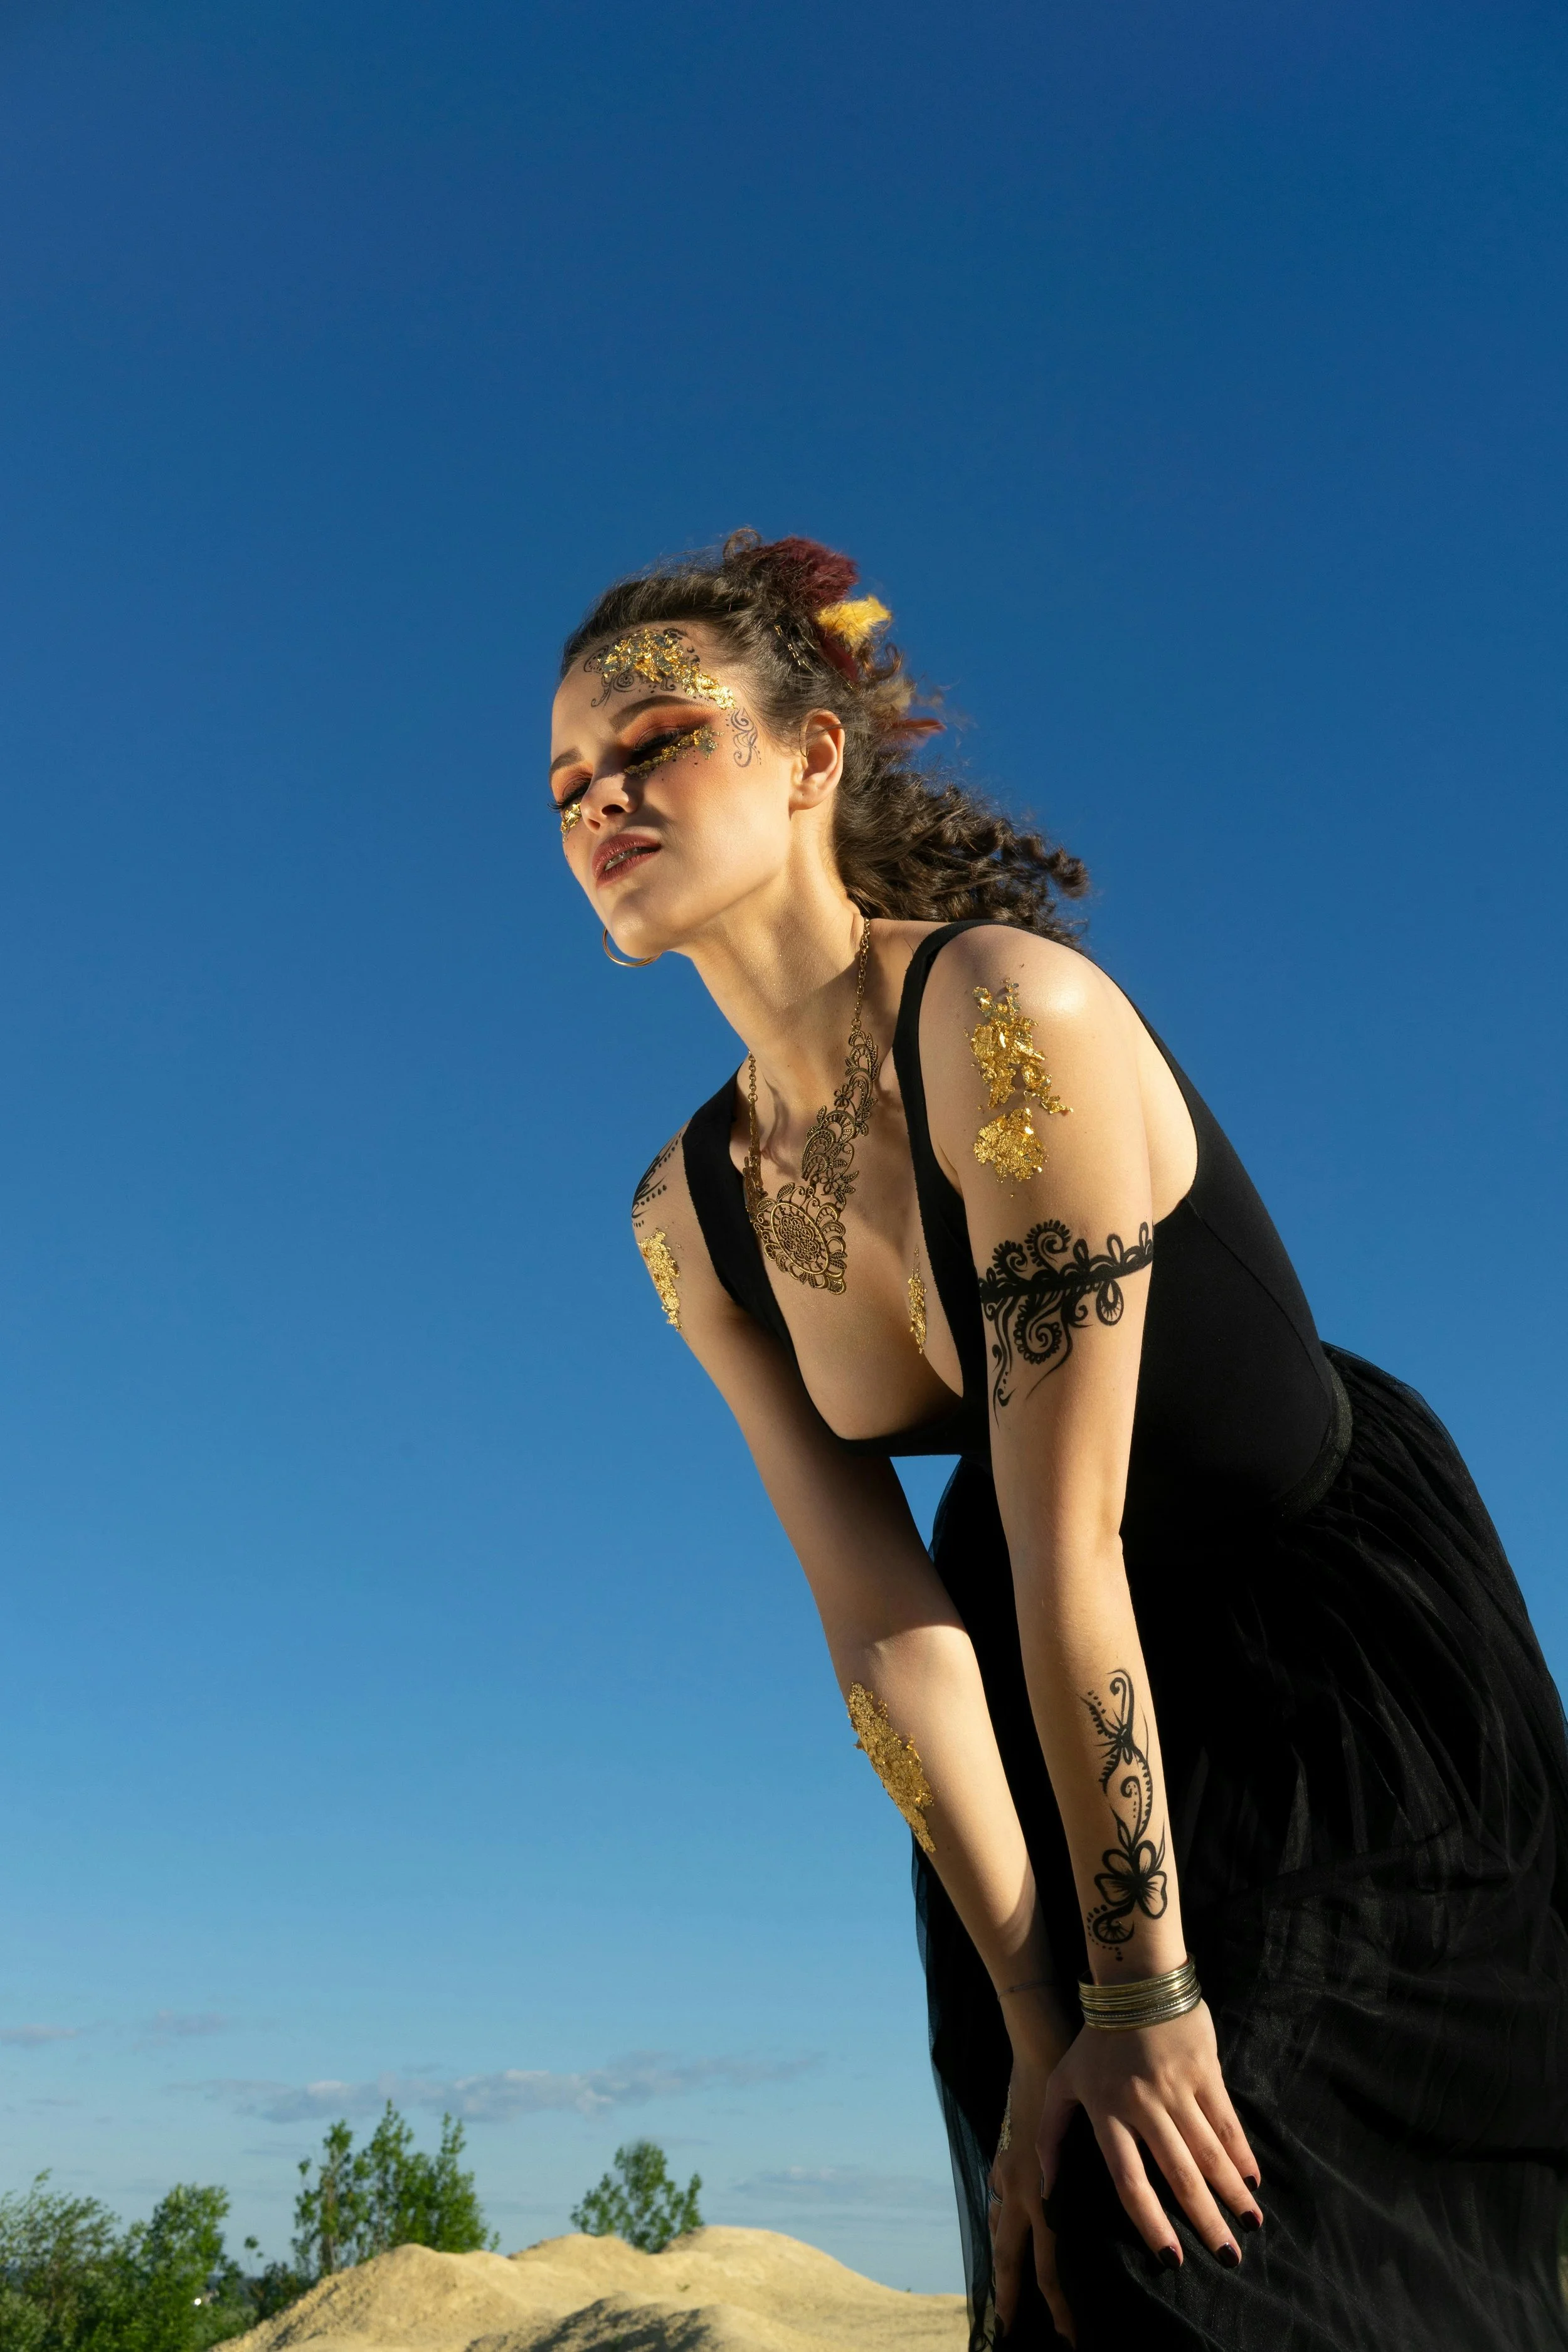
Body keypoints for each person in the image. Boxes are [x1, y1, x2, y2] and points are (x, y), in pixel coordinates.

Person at [547, 531, 1568, 2349]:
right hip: (1025, 1705)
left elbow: (1064, 1535)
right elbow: (877, 1614)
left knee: (1220, 2239)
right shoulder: (681, 1217)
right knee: (1071, 2222)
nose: (599, 799)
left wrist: (1146, 1991)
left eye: (654, 744)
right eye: (567, 783)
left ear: (809, 758)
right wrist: (1045, 2024)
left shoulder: (1012, 1018)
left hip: (1319, 1670)